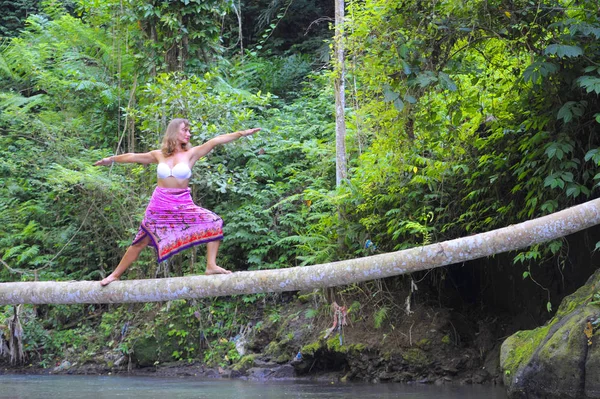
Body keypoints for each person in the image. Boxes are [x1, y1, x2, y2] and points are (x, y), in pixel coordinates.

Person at [94, 118, 260, 286]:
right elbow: (133, 157)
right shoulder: (159, 155)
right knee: (141, 242)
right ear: (174, 132)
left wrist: (242, 133)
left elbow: (216, 140)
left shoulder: (191, 154)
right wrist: (111, 159)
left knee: (214, 221)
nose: (188, 134)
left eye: (189, 131)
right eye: (185, 130)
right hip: (159, 205)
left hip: (182, 204)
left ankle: (211, 265)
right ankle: (114, 275)